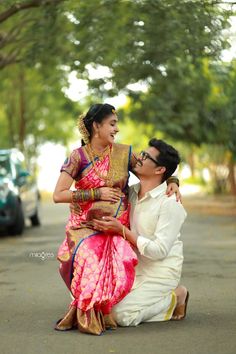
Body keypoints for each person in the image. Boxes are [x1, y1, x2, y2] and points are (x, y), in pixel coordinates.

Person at [53, 104, 180, 335]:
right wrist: (95, 193)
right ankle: (89, 311)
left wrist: (174, 181)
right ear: (96, 126)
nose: (117, 129)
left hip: (117, 228)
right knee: (89, 254)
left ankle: (100, 309)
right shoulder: (77, 157)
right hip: (85, 227)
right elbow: (58, 195)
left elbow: (154, 168)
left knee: (119, 254)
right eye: (112, 123)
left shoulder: (123, 153)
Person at [93, 138, 188, 327]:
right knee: (95, 305)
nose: (138, 157)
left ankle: (175, 297)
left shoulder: (170, 203)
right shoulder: (130, 193)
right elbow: (107, 156)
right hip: (132, 268)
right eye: (141, 153)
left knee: (121, 316)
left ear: (159, 170)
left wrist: (122, 231)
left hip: (160, 273)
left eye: (145, 156)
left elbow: (159, 251)